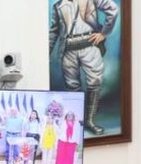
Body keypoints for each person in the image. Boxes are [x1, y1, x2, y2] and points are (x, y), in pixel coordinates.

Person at [49, 0, 120, 135]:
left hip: (89, 45)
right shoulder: (58, 6)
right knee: (72, 86)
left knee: (95, 82)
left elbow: (113, 9)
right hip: (68, 49)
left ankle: (90, 121)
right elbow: (53, 31)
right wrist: (46, 53)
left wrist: (103, 33)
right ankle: (76, 122)